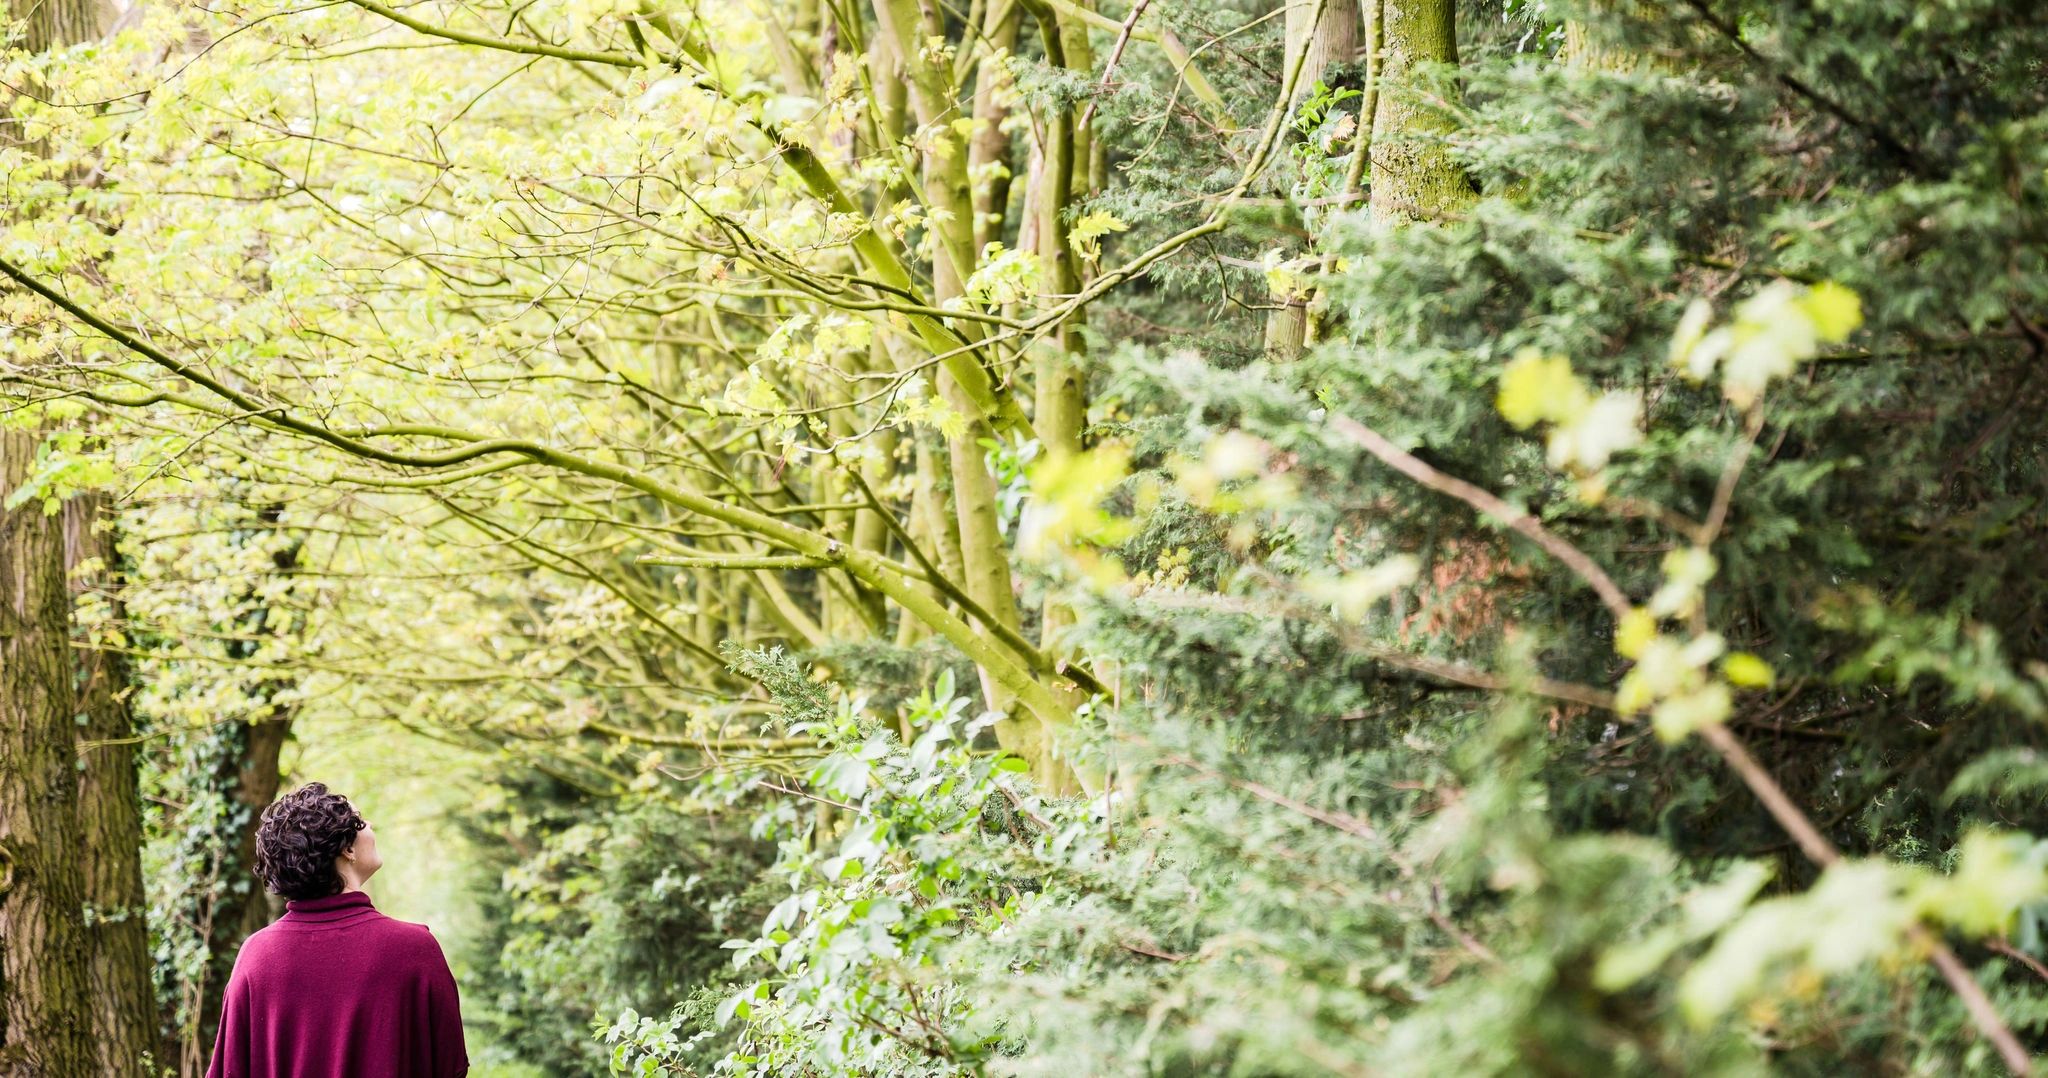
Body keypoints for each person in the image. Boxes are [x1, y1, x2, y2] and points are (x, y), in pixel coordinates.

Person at [205, 783, 468, 1078]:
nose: (370, 826)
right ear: (347, 848)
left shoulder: (256, 956)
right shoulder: (415, 949)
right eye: (361, 820)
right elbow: (450, 1067)